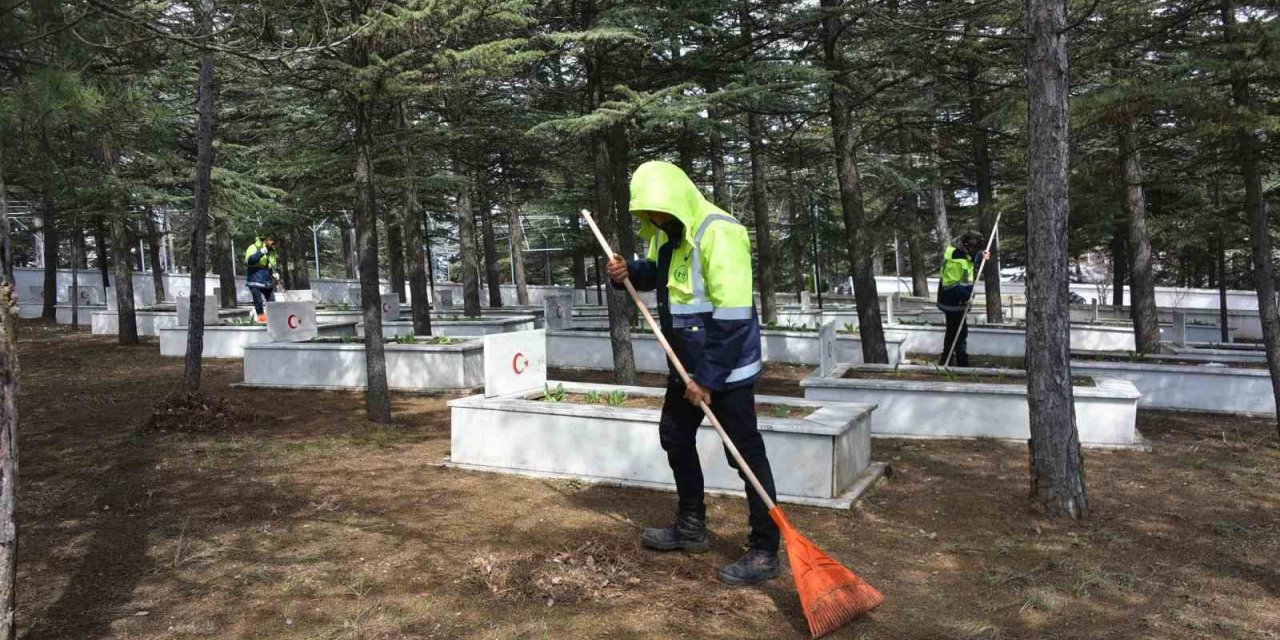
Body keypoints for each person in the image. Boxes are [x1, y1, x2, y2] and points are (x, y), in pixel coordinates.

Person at [606, 160, 780, 586]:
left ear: (677, 202)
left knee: (744, 455)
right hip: (684, 369)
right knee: (675, 436)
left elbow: (735, 318)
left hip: (726, 369)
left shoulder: (719, 232)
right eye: (649, 216)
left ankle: (765, 548)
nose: (655, 221)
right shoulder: (668, 234)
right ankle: (691, 527)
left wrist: (708, 378)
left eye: (659, 213)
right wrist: (627, 271)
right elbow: (657, 276)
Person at [937, 232, 989, 367]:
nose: (975, 252)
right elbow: (950, 286)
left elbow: (969, 264)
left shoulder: (962, 254)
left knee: (955, 331)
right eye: (975, 250)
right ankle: (959, 362)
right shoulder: (955, 260)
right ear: (966, 246)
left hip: (959, 301)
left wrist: (980, 256)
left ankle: (948, 359)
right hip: (953, 302)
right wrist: (966, 296)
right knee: (958, 333)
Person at [244, 235, 279, 322]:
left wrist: (275, 272)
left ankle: (274, 319)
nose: (274, 246)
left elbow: (271, 264)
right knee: (258, 300)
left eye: (275, 244)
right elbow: (249, 260)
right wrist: (260, 252)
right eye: (273, 243)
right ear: (267, 240)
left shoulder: (272, 252)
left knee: (272, 301)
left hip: (267, 279)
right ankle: (262, 318)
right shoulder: (253, 247)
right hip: (255, 278)